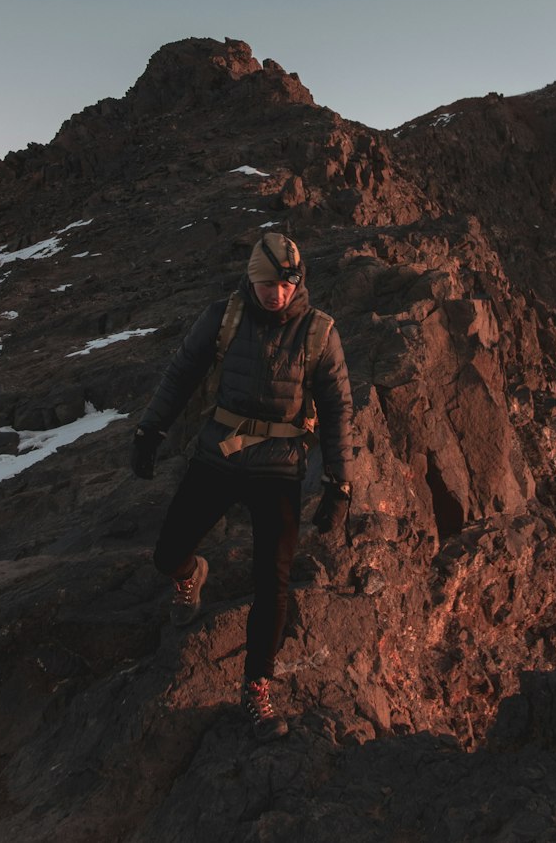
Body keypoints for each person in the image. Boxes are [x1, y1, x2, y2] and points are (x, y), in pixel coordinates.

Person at [131, 232, 354, 741]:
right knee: (167, 553)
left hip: (278, 466)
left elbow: (338, 409)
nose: (275, 293)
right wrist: (150, 430)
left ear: (297, 282)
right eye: (265, 283)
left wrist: (340, 483)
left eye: (284, 283)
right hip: (219, 453)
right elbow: (182, 373)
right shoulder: (224, 317)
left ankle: (257, 686)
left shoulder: (319, 334)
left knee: (271, 583)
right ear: (250, 280)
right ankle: (189, 574)